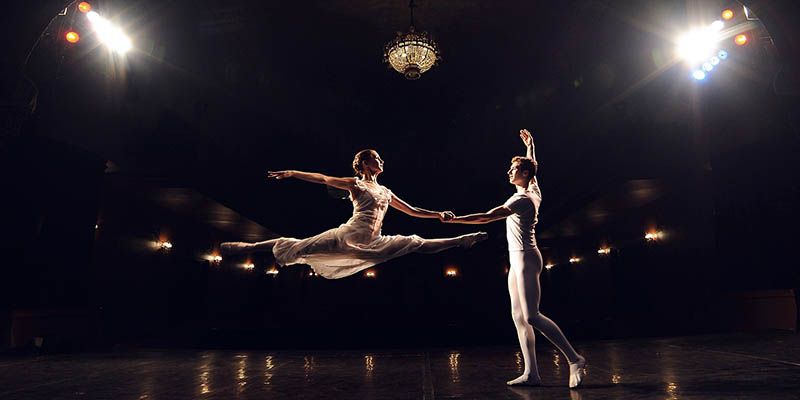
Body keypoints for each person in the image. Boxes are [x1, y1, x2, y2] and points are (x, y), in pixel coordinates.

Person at [443, 129, 587, 388]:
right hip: (518, 260)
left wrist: (456, 220)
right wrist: (531, 147)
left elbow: (487, 216)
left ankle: (575, 359)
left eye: (513, 169)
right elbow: (535, 169)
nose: (508, 173)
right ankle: (532, 373)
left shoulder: (523, 199)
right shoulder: (533, 186)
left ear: (523, 174)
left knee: (532, 316)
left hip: (526, 260)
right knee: (518, 317)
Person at [221, 149, 487, 279]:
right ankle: (249, 246)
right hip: (347, 236)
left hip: (374, 240)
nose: (382, 162)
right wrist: (292, 173)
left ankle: (462, 240)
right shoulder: (356, 183)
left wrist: (438, 214)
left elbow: (412, 210)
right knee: (296, 247)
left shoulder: (386, 191)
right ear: (364, 163)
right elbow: (323, 177)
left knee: (414, 243)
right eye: (377, 159)